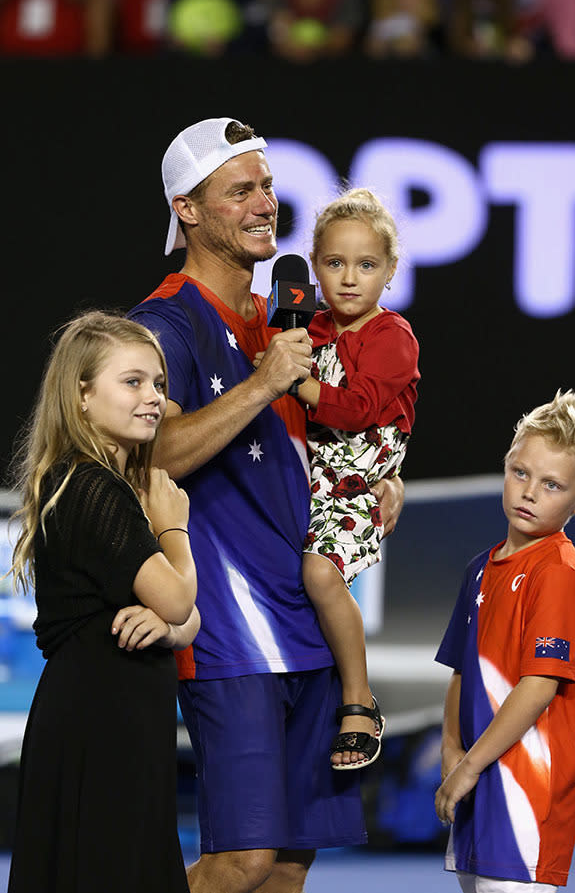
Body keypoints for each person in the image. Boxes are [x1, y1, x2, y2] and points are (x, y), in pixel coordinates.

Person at [128, 116, 404, 893]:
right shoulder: (164, 321)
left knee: (287, 864)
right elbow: (153, 455)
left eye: (269, 186)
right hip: (227, 629)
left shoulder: (290, 320)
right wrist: (262, 383)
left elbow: (320, 435)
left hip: (308, 621)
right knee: (242, 858)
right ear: (187, 208)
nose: (264, 203)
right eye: (239, 189)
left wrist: (378, 474)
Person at [6, 311, 199, 893]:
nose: (154, 399)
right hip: (100, 725)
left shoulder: (103, 483)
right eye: (133, 382)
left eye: (158, 384)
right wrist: (174, 530)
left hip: (118, 723)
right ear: (82, 396)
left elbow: (187, 620)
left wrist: (167, 629)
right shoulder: (93, 486)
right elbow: (179, 595)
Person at [434, 389, 575, 892]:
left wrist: (468, 764)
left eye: (552, 484)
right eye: (520, 472)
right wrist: (450, 750)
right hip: (477, 783)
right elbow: (460, 673)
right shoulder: (478, 570)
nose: (529, 492)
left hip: (528, 796)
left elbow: (538, 687)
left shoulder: (558, 572)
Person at [272, 188, 419, 770]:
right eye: (334, 263)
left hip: (356, 486)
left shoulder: (393, 337)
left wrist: (289, 381)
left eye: (367, 264)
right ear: (314, 268)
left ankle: (359, 700)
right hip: (308, 477)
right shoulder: (309, 327)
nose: (350, 278)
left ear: (390, 270)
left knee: (320, 573)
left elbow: (356, 410)